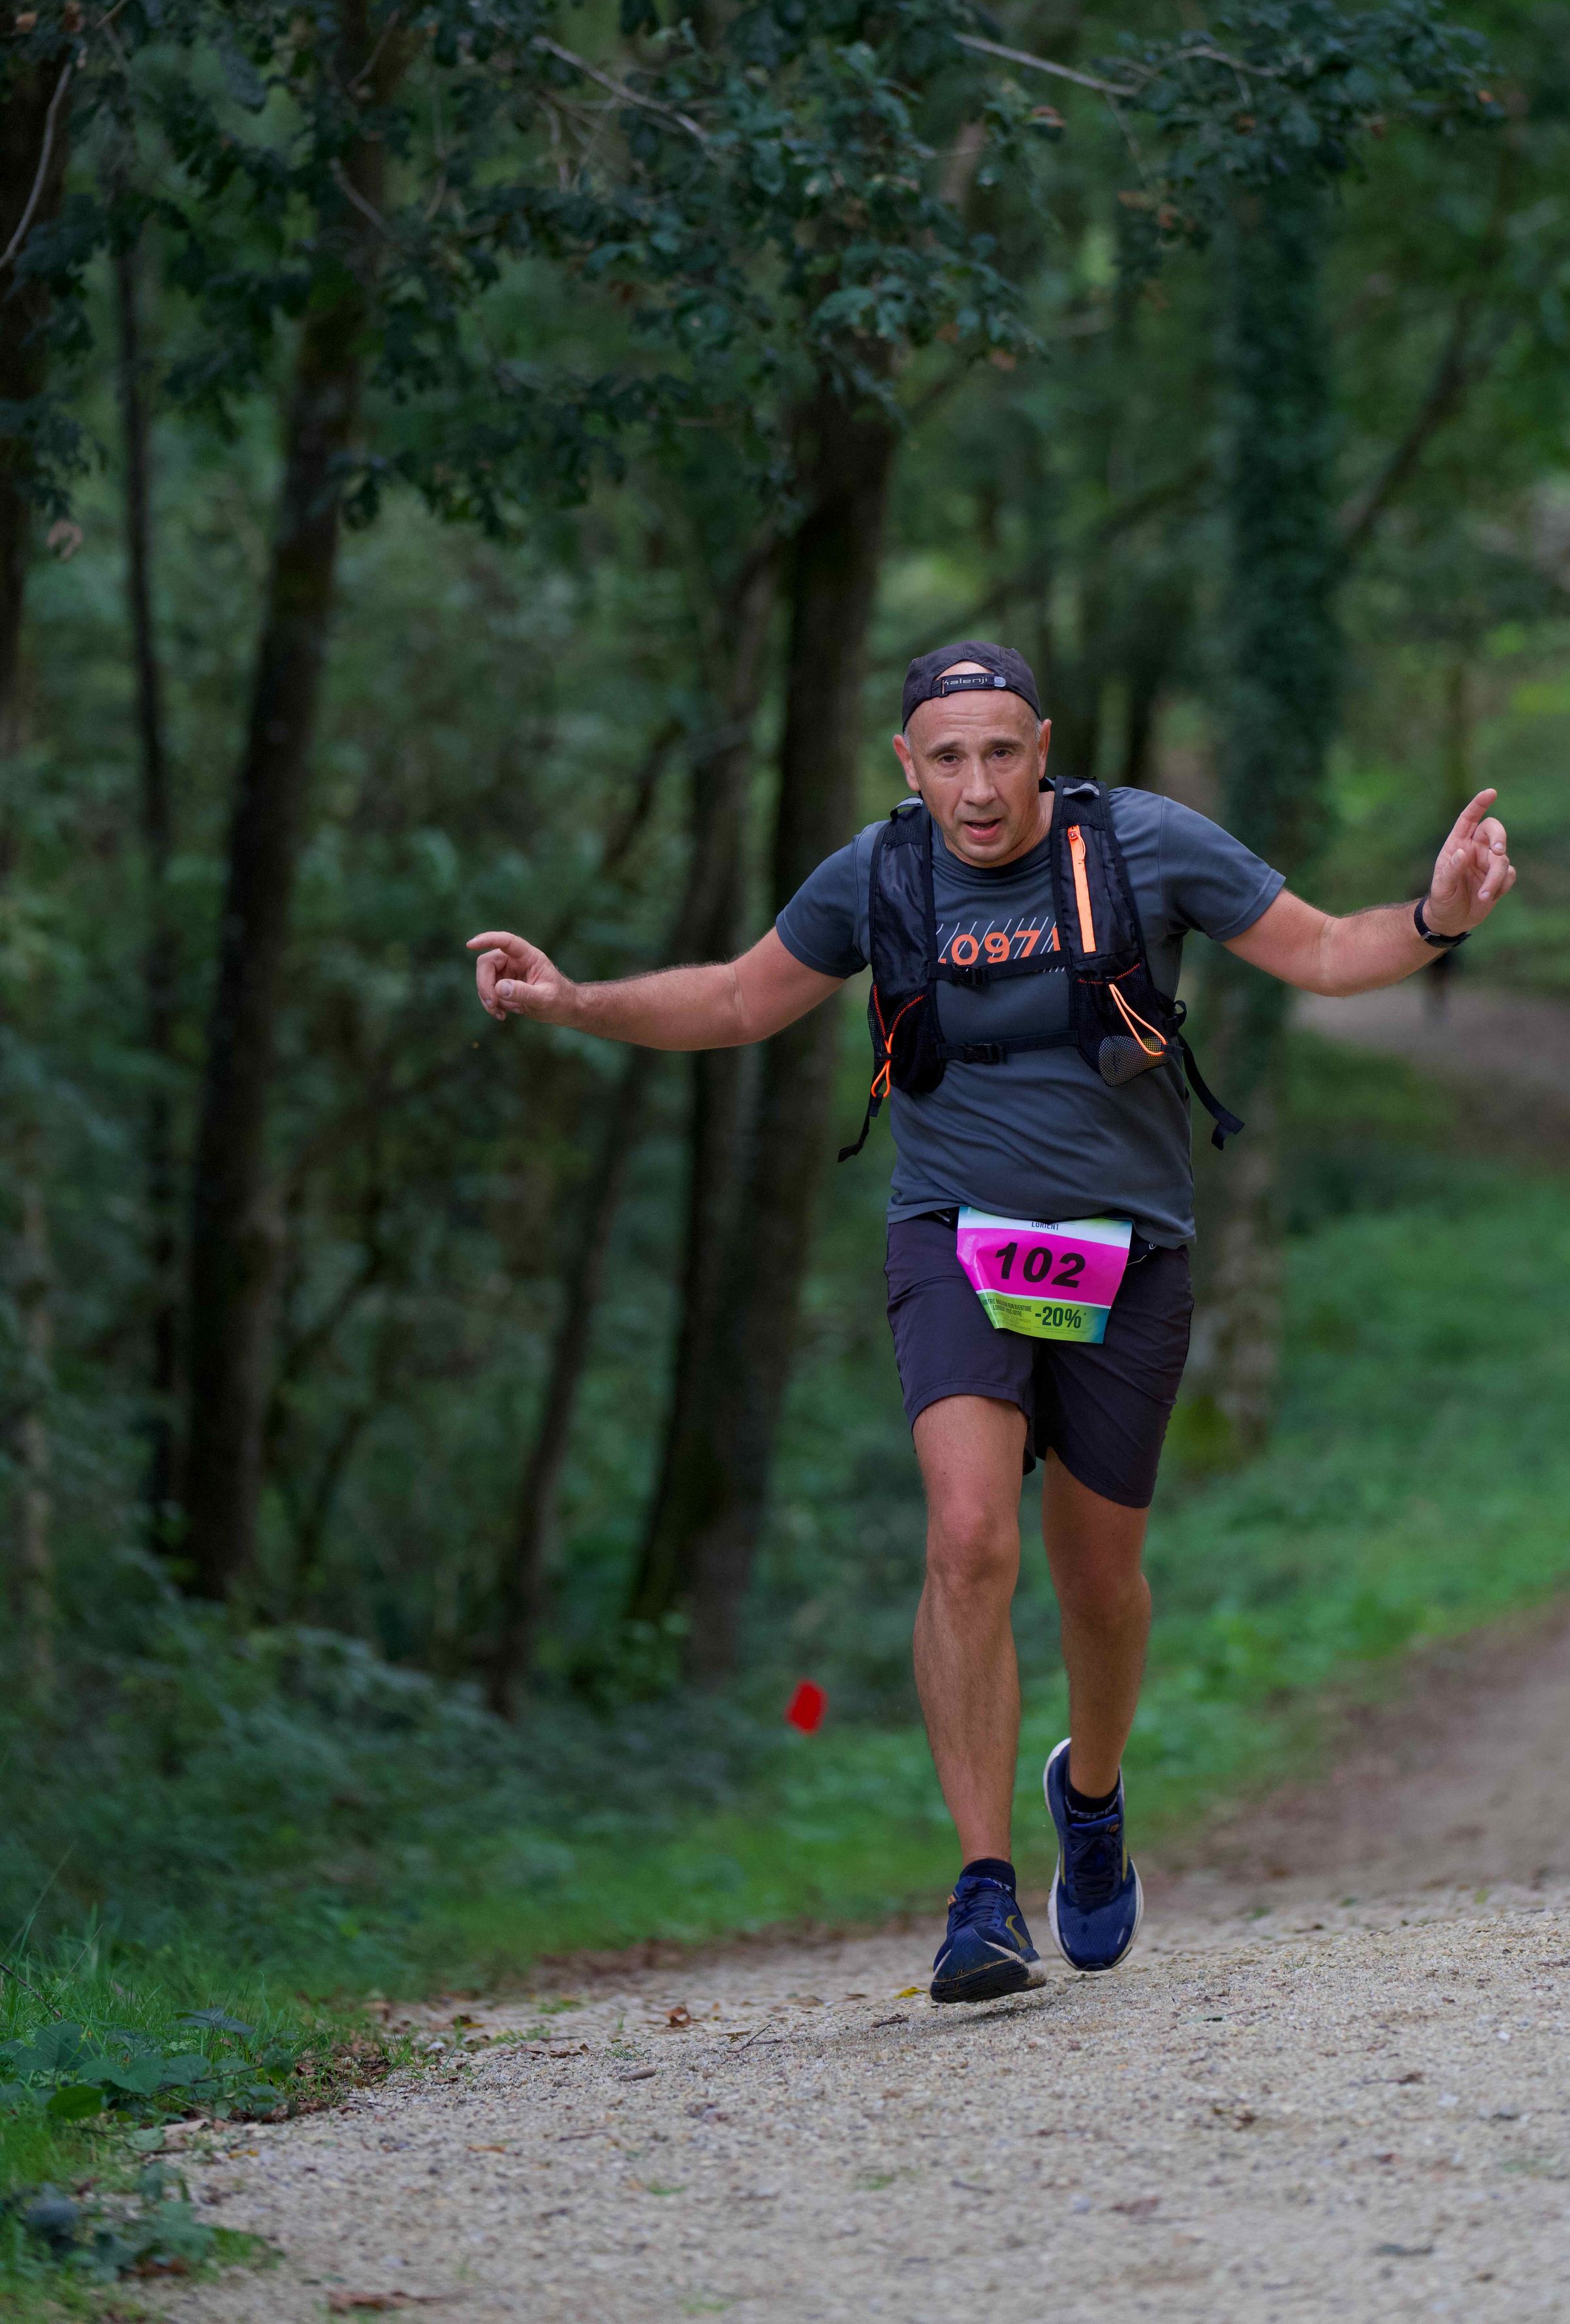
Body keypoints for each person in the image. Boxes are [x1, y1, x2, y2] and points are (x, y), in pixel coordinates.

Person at [467, 640, 1517, 2003]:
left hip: (1127, 1255)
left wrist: (1436, 917)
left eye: (1003, 752)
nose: (978, 785)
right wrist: (573, 1002)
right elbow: (734, 998)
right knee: (967, 1537)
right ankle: (981, 1893)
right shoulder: (880, 874)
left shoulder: (1140, 845)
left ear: (1043, 748)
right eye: (949, 756)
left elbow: (1319, 950)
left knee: (1098, 1582)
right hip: (954, 1242)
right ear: (908, 763)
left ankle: (1092, 1797)